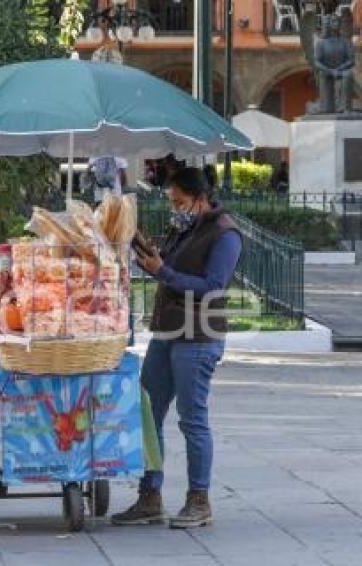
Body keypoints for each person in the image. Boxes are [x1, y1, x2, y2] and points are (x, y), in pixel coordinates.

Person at [112, 167, 242, 529]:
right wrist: (145, 252)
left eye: (180, 202)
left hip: (198, 337)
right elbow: (166, 264)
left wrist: (164, 272)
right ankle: (149, 496)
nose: (175, 208)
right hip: (167, 331)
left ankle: (199, 499)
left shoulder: (225, 233)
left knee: (192, 418)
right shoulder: (185, 227)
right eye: (172, 202)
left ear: (200, 200)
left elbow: (213, 285)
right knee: (147, 414)